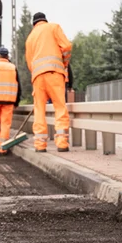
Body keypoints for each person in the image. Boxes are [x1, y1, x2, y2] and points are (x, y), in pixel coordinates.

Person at [24, 12, 72, 152]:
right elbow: (67, 47)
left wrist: (36, 73)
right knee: (60, 107)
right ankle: (62, 143)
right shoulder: (53, 27)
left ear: (34, 24)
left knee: (39, 110)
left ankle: (40, 145)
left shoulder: (30, 38)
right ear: (45, 20)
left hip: (38, 77)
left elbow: (29, 62)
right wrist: (64, 62)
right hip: (54, 73)